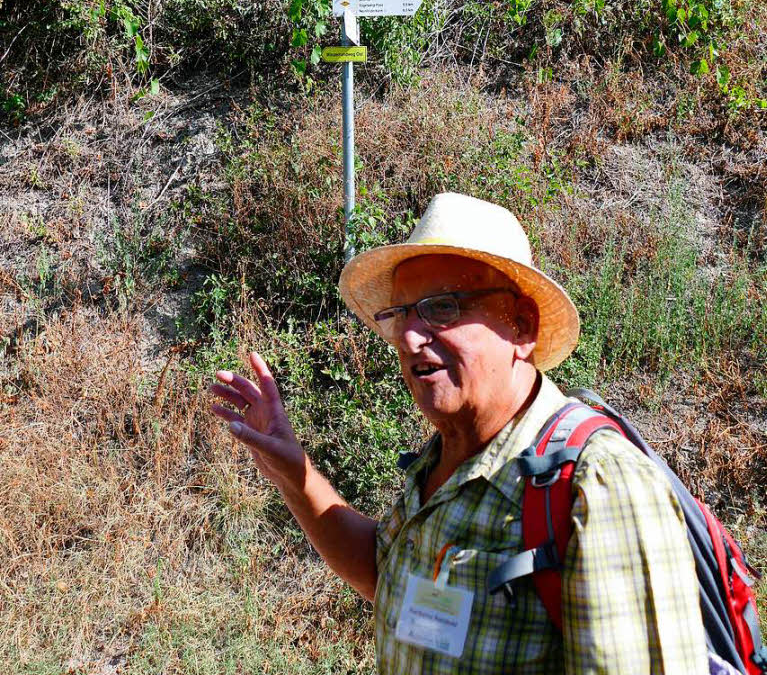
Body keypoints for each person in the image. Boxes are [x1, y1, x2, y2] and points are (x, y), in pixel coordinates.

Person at [209, 192, 709, 673]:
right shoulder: (447, 455)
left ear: (521, 325)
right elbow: (387, 574)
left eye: (442, 307)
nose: (407, 336)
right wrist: (292, 471)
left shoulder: (599, 485)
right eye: (400, 313)